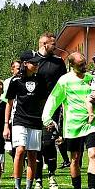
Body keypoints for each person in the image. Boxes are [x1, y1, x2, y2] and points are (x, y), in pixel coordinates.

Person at [42, 52, 95, 189]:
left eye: (84, 63)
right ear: (72, 65)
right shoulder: (64, 81)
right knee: (75, 158)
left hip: (92, 123)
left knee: (93, 154)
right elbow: (54, 99)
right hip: (73, 126)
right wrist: (46, 117)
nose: (84, 67)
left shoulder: (91, 79)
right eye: (80, 65)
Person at [4, 50, 47, 189]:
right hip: (19, 120)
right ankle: (17, 188)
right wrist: (6, 125)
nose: (36, 65)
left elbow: (43, 102)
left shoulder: (40, 80)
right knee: (20, 151)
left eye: (37, 63)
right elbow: (9, 103)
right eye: (33, 63)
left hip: (35, 121)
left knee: (32, 154)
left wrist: (45, 119)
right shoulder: (15, 81)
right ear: (25, 64)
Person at [34, 32, 69, 168]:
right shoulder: (32, 60)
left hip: (53, 106)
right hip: (34, 106)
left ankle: (51, 170)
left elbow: (65, 84)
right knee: (36, 140)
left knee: (48, 141)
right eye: (53, 44)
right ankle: (37, 170)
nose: (55, 46)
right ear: (44, 44)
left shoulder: (58, 62)